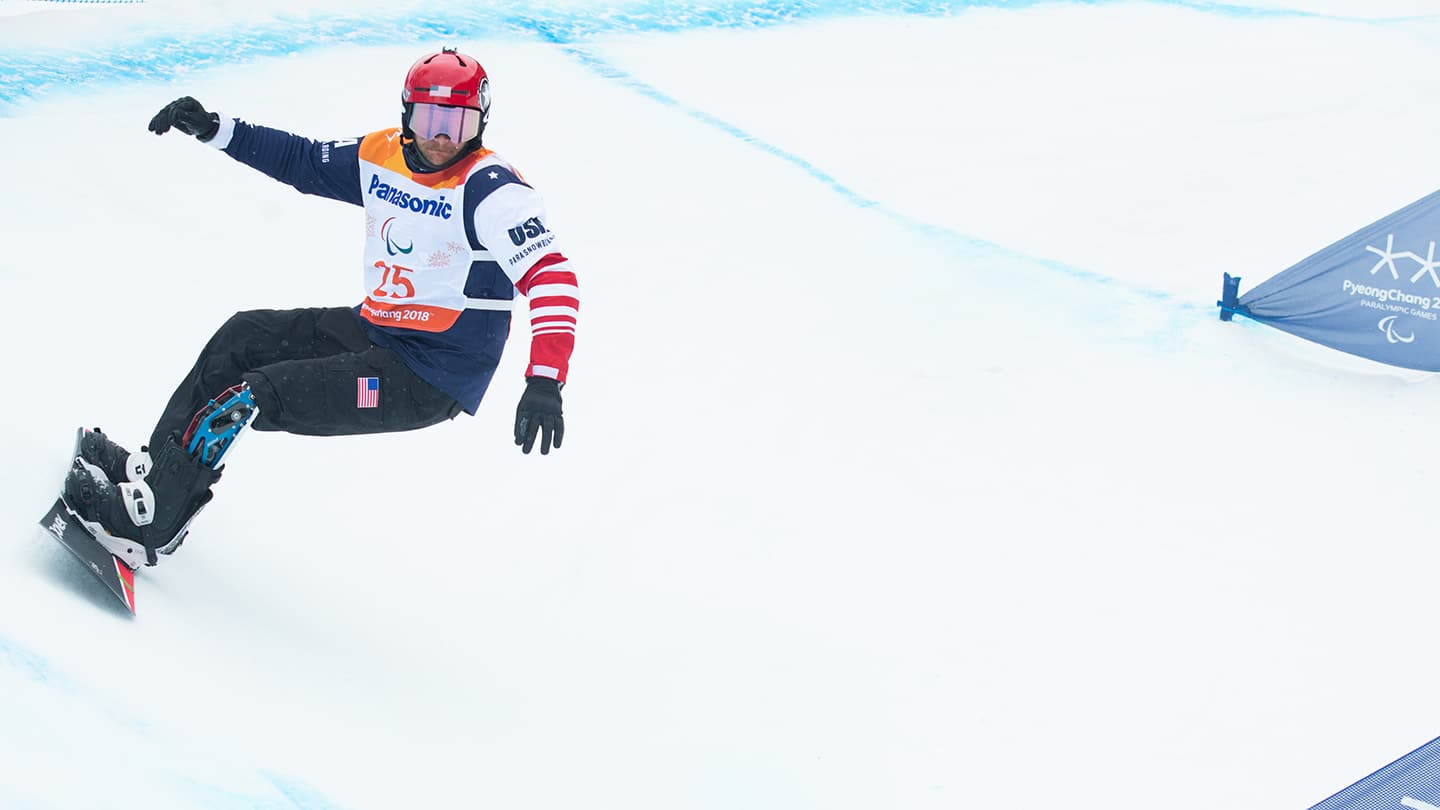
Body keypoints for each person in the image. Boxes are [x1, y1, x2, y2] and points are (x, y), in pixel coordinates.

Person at [62, 47, 579, 568]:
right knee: (242, 338)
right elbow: (304, 162)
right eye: (429, 118)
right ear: (407, 113)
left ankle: (149, 526)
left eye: (457, 122)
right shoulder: (383, 155)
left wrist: (544, 381)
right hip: (376, 332)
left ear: (480, 123)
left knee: (255, 395)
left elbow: (554, 278)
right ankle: (155, 479)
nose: (441, 136)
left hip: (425, 379)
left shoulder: (492, 193)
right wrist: (217, 129)